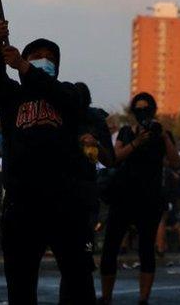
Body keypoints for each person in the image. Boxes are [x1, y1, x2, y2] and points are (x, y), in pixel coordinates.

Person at [0, 20, 95, 305]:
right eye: (34, 57)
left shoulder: (69, 94)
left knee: (78, 282)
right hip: (22, 203)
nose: (40, 63)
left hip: (64, 203)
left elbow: (66, 97)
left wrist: (24, 66)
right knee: (20, 286)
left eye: (47, 60)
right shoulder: (13, 99)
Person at [99, 92, 180, 305]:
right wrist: (136, 142)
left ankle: (144, 298)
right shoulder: (127, 132)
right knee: (110, 248)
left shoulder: (161, 134)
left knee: (146, 250)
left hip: (150, 197)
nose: (143, 114)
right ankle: (106, 296)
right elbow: (114, 158)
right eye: (139, 109)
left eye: (147, 109)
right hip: (123, 196)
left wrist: (162, 136)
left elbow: (175, 163)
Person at [60, 82, 115, 305]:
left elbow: (109, 160)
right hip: (61, 195)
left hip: (84, 196)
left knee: (81, 256)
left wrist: (95, 144)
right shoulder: (58, 118)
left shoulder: (95, 121)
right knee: (70, 257)